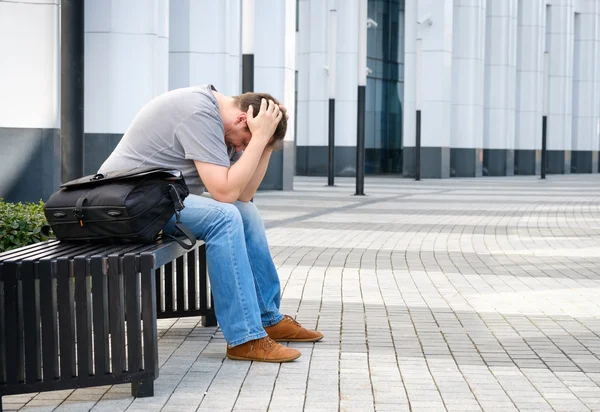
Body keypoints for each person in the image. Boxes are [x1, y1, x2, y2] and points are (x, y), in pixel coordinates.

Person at [98, 85, 323, 363]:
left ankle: (267, 317)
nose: (241, 149)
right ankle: (245, 338)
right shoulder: (199, 112)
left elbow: (243, 195)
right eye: (244, 142)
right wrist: (258, 138)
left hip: (158, 200)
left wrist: (264, 142)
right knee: (224, 217)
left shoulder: (226, 123)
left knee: (246, 212)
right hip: (128, 204)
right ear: (243, 120)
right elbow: (225, 193)